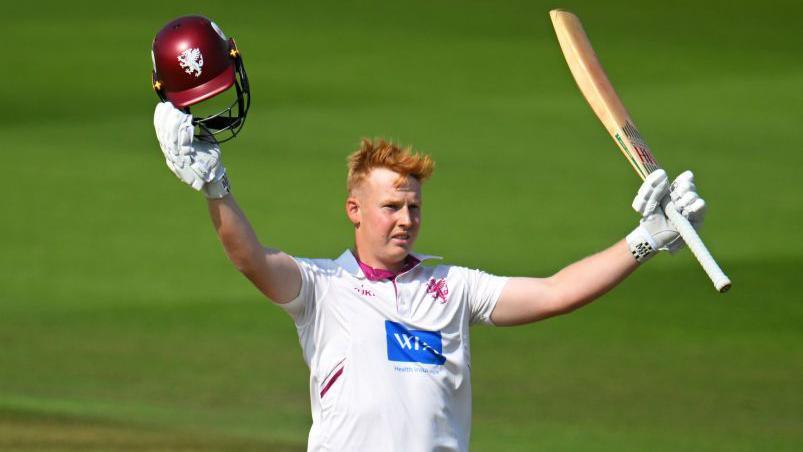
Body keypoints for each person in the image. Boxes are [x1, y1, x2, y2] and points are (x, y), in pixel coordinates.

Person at [151, 16, 706, 452]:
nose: (405, 219)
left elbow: (556, 292)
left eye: (413, 207)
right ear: (355, 210)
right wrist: (215, 187)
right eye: (391, 206)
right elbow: (250, 259)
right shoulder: (322, 289)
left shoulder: (454, 287)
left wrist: (646, 239)